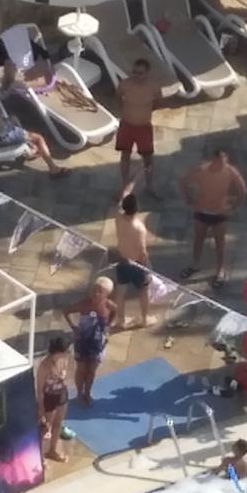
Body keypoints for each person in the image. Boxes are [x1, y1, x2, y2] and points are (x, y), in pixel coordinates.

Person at [179, 149, 247, 289]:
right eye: (219, 162)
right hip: (202, 210)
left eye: (224, 162)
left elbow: (242, 191)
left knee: (220, 243)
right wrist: (189, 200)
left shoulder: (230, 172)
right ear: (213, 160)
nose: (222, 165)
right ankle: (195, 265)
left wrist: (232, 207)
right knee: (198, 239)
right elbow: (183, 181)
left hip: (219, 213)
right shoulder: (202, 170)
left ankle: (220, 270)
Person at [0, 81, 68, 179]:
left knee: (14, 120)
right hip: (3, 137)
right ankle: (53, 168)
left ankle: (31, 149)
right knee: (38, 138)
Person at [63, 277, 116, 406]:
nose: (96, 293)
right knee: (81, 369)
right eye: (94, 290)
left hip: (97, 343)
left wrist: (108, 326)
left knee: (92, 370)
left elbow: (115, 312)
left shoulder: (110, 306)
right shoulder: (84, 304)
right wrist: (73, 327)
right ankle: (79, 393)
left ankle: (87, 393)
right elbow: (66, 311)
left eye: (100, 291)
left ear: (107, 294)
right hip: (82, 341)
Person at [115, 59, 162, 197]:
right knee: (125, 155)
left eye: (140, 73)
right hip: (126, 125)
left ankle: (149, 186)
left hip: (144, 127)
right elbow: (117, 97)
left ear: (147, 73)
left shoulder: (153, 87)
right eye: (134, 72)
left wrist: (144, 112)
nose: (137, 76)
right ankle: (124, 185)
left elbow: (158, 102)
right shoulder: (125, 84)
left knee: (148, 158)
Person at [114, 184, 156, 330]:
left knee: (120, 290)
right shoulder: (139, 228)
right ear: (137, 209)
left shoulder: (118, 217)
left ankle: (120, 321)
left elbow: (124, 194)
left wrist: (133, 180)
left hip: (122, 258)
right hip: (137, 262)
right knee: (144, 290)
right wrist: (145, 267)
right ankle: (145, 319)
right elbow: (142, 251)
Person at [36, 337, 70, 463]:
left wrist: (63, 379)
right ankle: (40, 457)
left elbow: (65, 376)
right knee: (45, 428)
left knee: (58, 424)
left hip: (61, 393)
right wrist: (41, 410)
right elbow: (39, 390)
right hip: (48, 396)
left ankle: (52, 451)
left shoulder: (64, 360)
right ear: (57, 352)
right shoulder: (44, 366)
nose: (67, 353)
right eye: (65, 351)